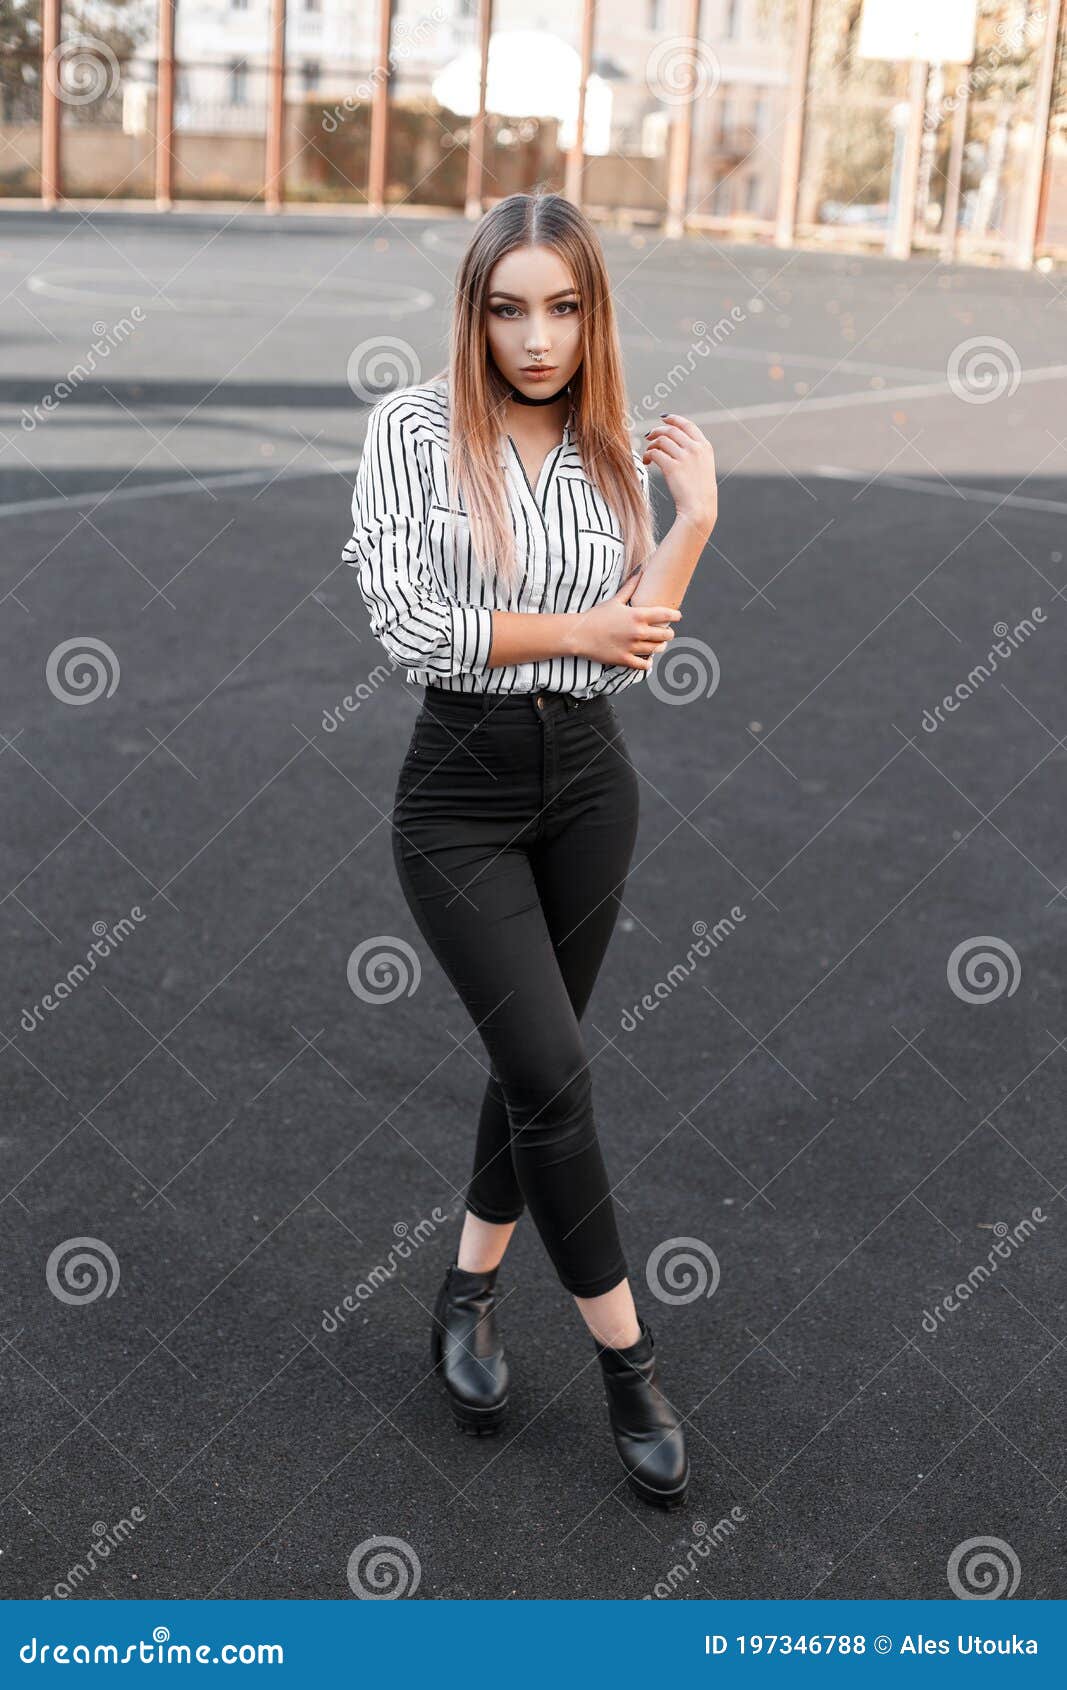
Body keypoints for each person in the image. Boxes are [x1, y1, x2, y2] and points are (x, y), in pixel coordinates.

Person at [343, 191, 717, 1512]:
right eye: (510, 307)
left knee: (530, 1066)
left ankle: (468, 1291)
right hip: (459, 796)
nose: (537, 335)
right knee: (557, 1070)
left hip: (592, 786)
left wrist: (695, 522)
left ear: (593, 311)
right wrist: (575, 631)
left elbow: (640, 640)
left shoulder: (614, 449)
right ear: (475, 310)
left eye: (563, 306)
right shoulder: (408, 431)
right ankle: (632, 1367)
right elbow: (413, 626)